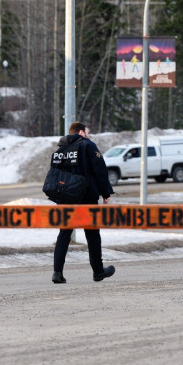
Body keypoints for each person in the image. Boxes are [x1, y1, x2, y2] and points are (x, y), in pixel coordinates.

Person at [50, 121, 116, 284]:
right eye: (87, 131)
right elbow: (100, 170)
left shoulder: (61, 149)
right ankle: (98, 272)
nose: (89, 134)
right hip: (86, 197)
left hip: (65, 198)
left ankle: (57, 273)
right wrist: (105, 192)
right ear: (81, 133)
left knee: (64, 233)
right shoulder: (87, 145)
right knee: (92, 234)